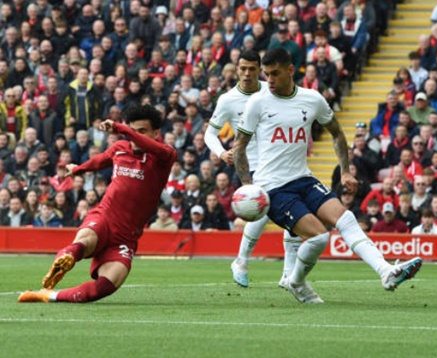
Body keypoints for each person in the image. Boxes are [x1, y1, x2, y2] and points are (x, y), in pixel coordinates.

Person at [233, 48, 422, 303]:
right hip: (273, 188)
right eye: (266, 75)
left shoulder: (312, 99)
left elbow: (336, 133)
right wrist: (248, 186)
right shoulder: (258, 102)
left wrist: (344, 170)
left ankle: (386, 271)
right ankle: (297, 282)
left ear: (291, 71)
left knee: (346, 219)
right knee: (320, 236)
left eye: (275, 74)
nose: (270, 80)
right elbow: (239, 147)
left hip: (304, 178)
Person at [18, 105, 178, 303]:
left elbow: (146, 144)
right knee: (86, 240)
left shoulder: (165, 155)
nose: (135, 136)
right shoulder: (120, 148)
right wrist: (78, 169)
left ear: (156, 133)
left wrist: (122, 129)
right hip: (105, 216)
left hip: (127, 235)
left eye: (142, 132)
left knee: (106, 286)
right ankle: (66, 259)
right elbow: (99, 161)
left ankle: (48, 295)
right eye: (133, 130)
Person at [204, 50, 299, 288]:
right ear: (237, 69)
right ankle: (242, 261)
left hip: (281, 160)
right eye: (242, 68)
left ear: (260, 70)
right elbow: (209, 133)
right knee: (263, 207)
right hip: (253, 165)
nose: (247, 74)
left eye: (252, 69)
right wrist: (221, 152)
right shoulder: (228, 100)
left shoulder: (272, 90)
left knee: (295, 211)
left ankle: (286, 272)